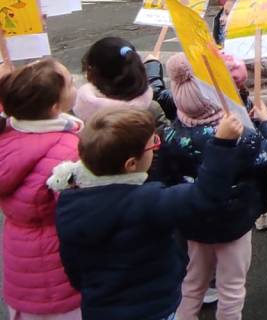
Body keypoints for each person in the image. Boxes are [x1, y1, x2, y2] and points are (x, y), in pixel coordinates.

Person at [50, 108, 244, 320]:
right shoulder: (146, 201)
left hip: (100, 308)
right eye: (152, 145)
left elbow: (74, 270)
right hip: (153, 308)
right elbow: (204, 198)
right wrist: (222, 144)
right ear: (131, 164)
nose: (155, 149)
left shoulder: (68, 203)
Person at [159, 55, 267, 320]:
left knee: (193, 283)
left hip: (193, 221)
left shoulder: (171, 135)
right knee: (231, 287)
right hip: (233, 223)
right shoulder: (240, 139)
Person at [0, 57, 82, 320]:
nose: (76, 84)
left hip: (20, 260)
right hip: (59, 271)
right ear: (55, 106)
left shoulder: (8, 136)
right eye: (70, 83)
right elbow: (79, 215)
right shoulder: (67, 149)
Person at [74, 37, 170, 133]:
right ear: (136, 68)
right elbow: (166, 142)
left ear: (90, 72)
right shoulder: (150, 109)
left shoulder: (75, 110)